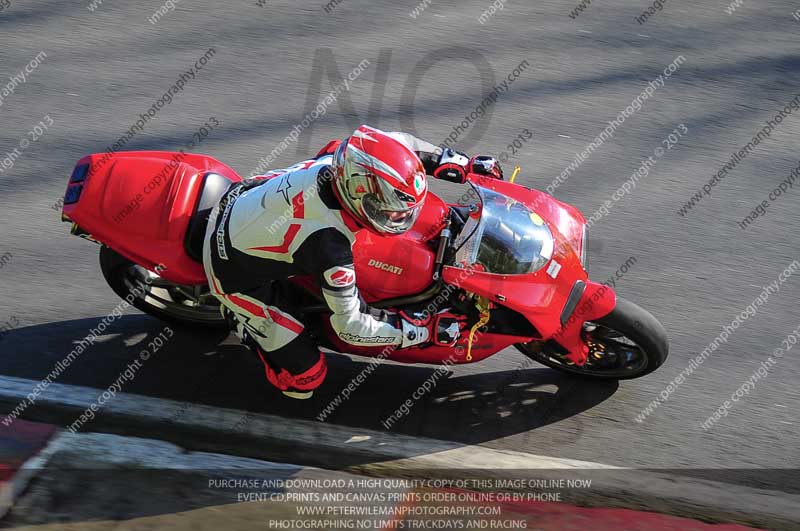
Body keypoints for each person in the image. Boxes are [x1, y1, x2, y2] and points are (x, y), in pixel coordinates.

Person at [202, 125, 503, 399]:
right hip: (232, 270)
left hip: (246, 196)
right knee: (305, 381)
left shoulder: (350, 153)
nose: (402, 219)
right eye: (392, 212)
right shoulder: (329, 246)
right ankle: (244, 324)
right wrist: (421, 331)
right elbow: (351, 326)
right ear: (358, 194)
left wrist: (462, 163)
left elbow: (403, 145)